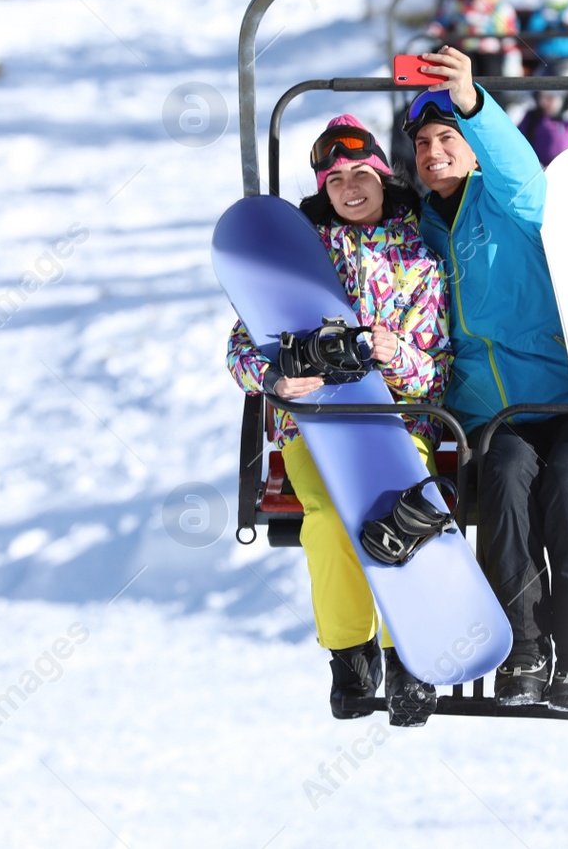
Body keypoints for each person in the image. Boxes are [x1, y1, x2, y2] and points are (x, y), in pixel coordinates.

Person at [225, 116, 454, 727]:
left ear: (382, 174)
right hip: (317, 426)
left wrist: (392, 354)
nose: (350, 188)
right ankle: (351, 658)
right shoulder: (296, 260)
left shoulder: (421, 257)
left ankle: (408, 654)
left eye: (360, 174)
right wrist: (275, 380)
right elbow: (241, 350)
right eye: (335, 181)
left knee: (398, 517)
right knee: (327, 519)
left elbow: (434, 371)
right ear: (322, 191)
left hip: (399, 420)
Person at [402, 46, 568, 715]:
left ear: (471, 146)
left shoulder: (512, 204)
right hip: (492, 413)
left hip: (559, 396)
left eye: (447, 140)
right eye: (423, 145)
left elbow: (522, 172)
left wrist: (472, 103)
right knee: (505, 477)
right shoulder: (422, 229)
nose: (434, 153)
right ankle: (524, 647)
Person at [426, 0, 523, 79]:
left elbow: (510, 30)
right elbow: (441, 21)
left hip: (491, 52)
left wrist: (508, 50)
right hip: (463, 49)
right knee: (462, 67)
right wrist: (435, 31)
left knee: (490, 71)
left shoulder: (500, 4)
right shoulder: (458, 1)